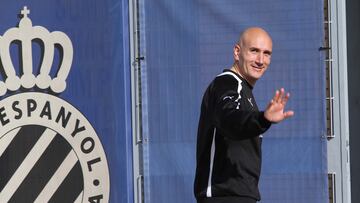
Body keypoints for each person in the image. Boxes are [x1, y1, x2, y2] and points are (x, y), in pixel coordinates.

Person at [194, 27, 294, 203]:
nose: (260, 60)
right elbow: (229, 119)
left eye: (267, 53)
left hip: (240, 196)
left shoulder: (244, 90)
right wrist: (263, 119)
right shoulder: (227, 83)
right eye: (254, 51)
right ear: (237, 52)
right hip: (223, 196)